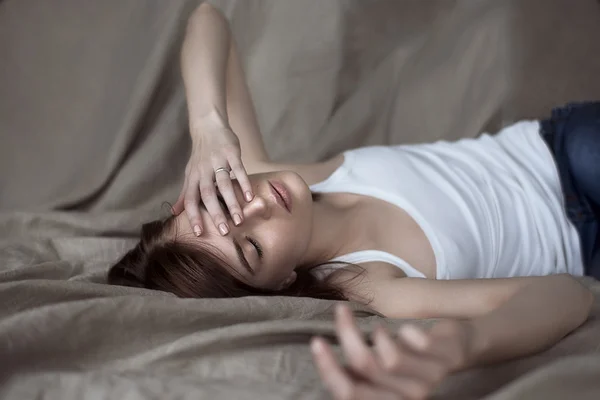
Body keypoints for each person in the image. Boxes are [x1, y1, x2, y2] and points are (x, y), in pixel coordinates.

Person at [107, 4, 598, 399]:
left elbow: (209, 18)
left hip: (562, 152)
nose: (256, 207)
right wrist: (465, 344)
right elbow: (572, 293)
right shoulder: (372, 285)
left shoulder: (262, 173)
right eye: (251, 247)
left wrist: (209, 131)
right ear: (281, 283)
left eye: (226, 203)